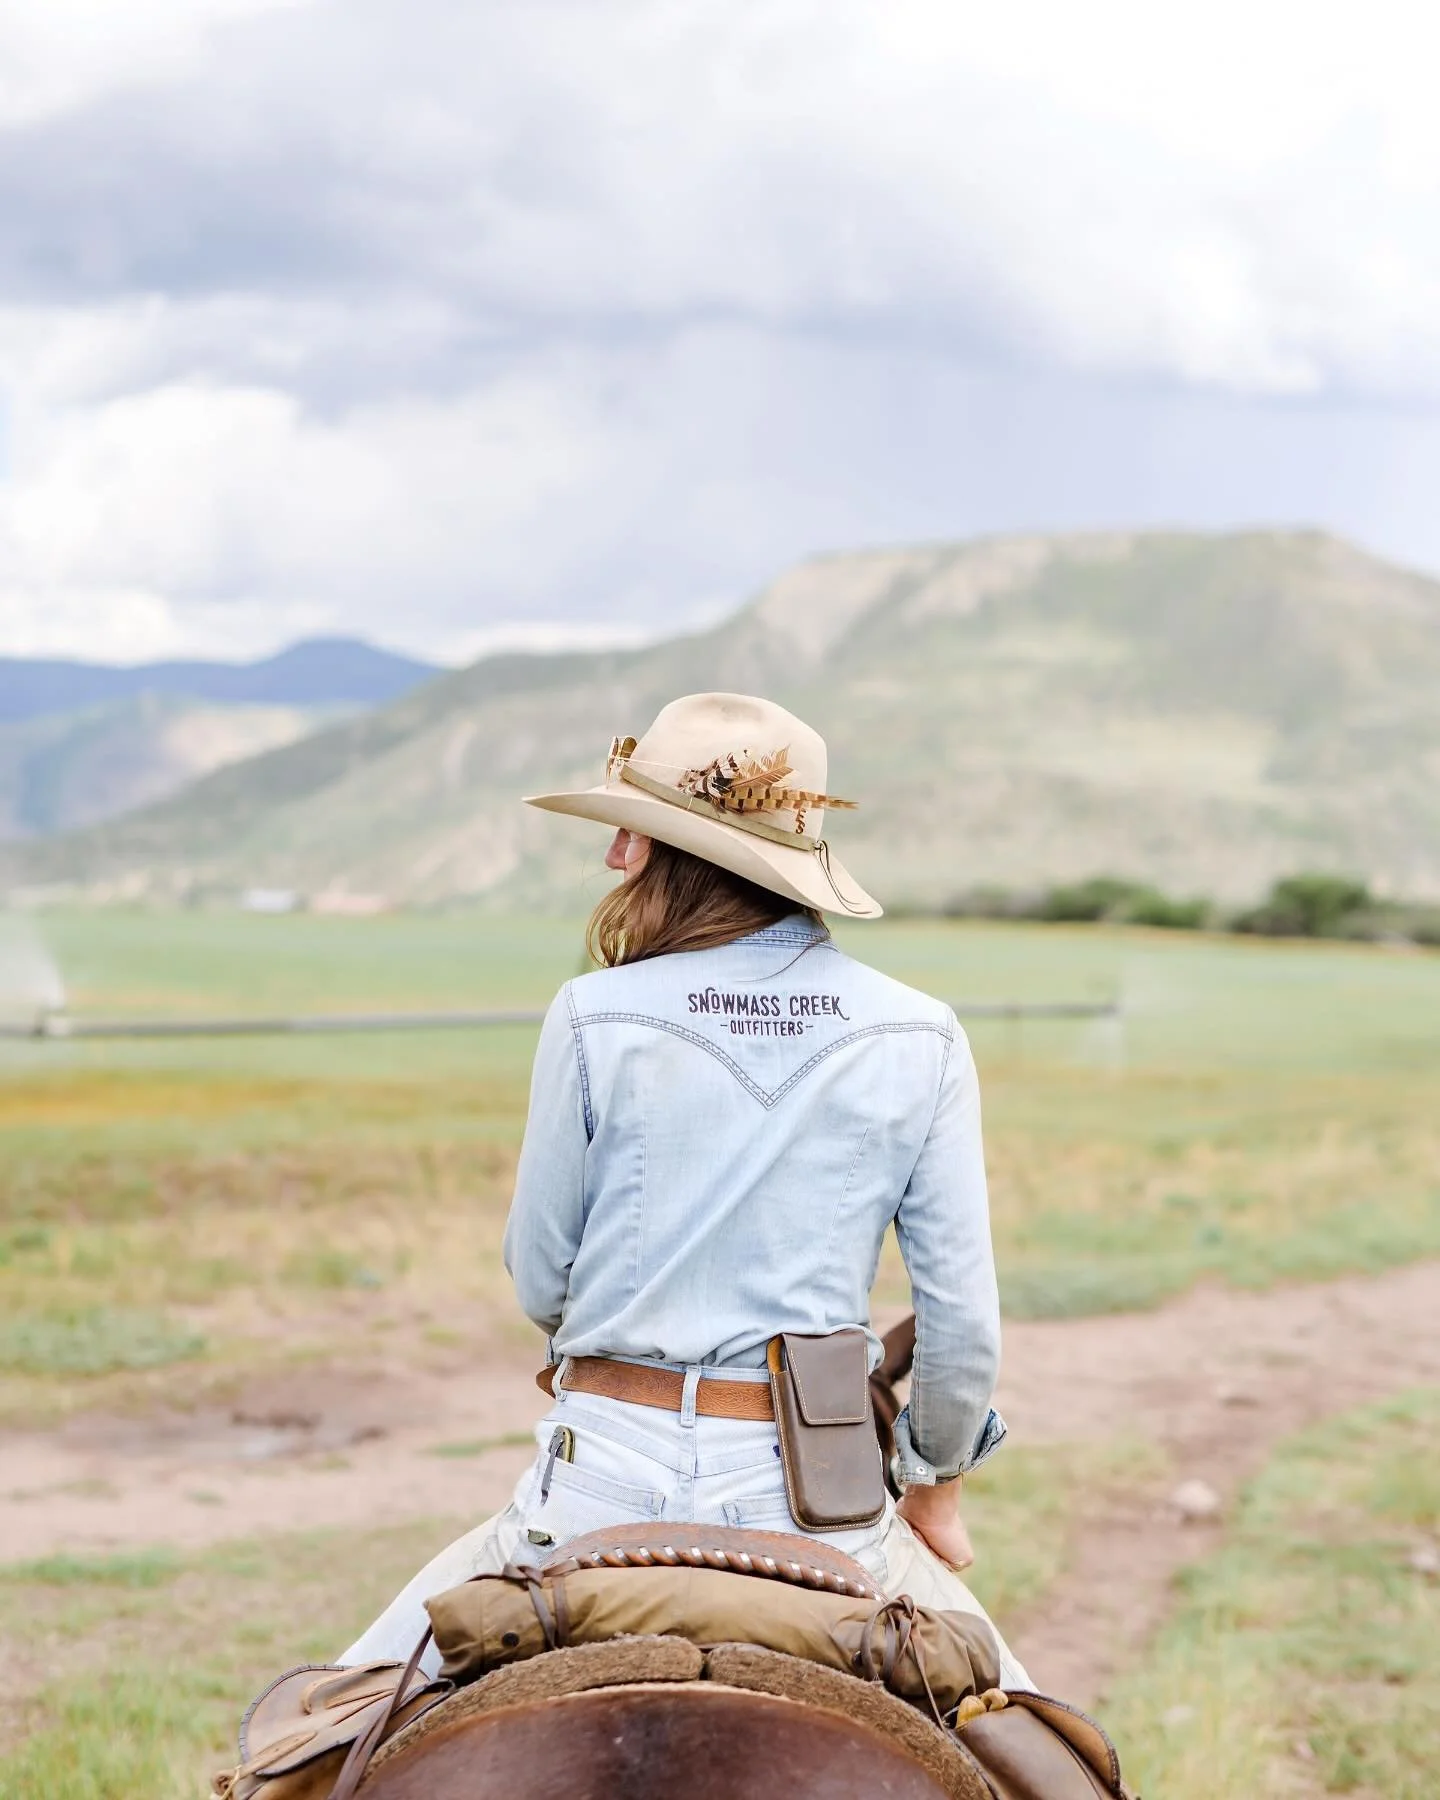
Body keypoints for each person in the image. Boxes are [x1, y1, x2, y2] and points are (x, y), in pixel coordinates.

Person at [340, 692, 1032, 1689]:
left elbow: (540, 1277)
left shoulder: (591, 1013)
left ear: (675, 853)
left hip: (600, 1485)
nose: (613, 858)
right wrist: (934, 1489)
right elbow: (961, 1329)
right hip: (812, 1500)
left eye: (632, 832)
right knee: (1045, 1742)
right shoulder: (921, 1034)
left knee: (324, 1726)